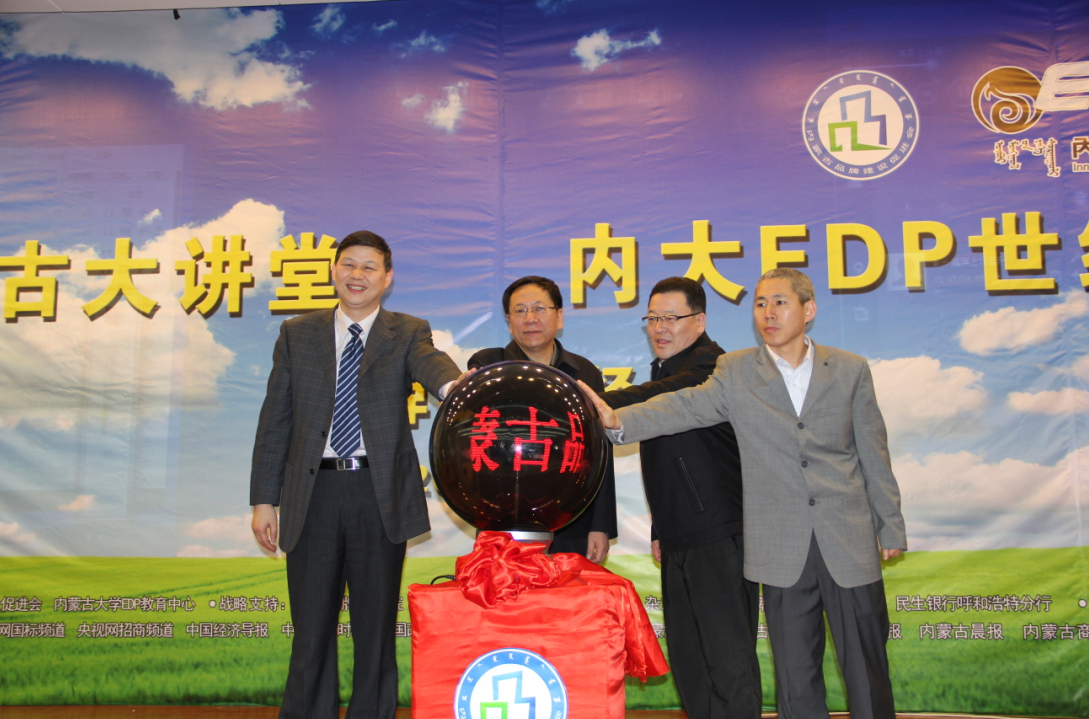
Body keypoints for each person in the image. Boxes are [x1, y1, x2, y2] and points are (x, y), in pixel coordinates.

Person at [581, 268, 906, 719]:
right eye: (760, 304)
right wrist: (621, 421)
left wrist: (890, 525)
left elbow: (873, 451)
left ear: (809, 310)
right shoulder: (736, 371)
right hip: (781, 548)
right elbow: (685, 406)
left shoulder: (850, 369)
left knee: (866, 672)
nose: (768, 313)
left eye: (779, 302)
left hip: (848, 538)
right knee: (795, 678)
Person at [250, 231, 462, 719]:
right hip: (313, 495)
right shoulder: (297, 333)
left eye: (370, 267)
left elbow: (430, 364)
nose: (357, 275)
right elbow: (275, 419)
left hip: (376, 493)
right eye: (349, 264)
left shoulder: (407, 331)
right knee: (311, 632)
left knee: (375, 630)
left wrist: (452, 384)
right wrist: (264, 499)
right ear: (333, 271)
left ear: (387, 278)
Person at [600, 277, 761, 719]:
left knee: (727, 658)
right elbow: (670, 461)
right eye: (653, 318)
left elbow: (664, 399)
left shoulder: (713, 366)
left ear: (700, 321)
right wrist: (660, 526)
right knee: (691, 660)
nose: (660, 327)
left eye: (671, 317)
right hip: (679, 534)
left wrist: (599, 403)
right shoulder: (665, 370)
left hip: (718, 533)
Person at [467, 275, 617, 562]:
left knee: (569, 591)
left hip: (572, 517)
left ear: (559, 317)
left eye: (539, 308)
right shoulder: (489, 367)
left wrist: (600, 525)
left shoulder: (584, 373)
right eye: (520, 310)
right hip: (504, 519)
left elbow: (600, 453)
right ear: (508, 320)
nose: (530, 319)